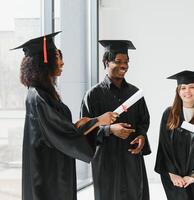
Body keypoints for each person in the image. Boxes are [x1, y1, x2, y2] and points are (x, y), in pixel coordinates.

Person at [13, 32, 117, 200]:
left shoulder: (43, 93)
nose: (62, 63)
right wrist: (98, 121)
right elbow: (62, 131)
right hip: (47, 169)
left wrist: (80, 125)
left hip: (53, 163)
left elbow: (59, 128)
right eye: (57, 58)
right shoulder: (38, 96)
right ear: (44, 62)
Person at [80, 40, 151, 200]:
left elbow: (143, 121)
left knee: (135, 194)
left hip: (131, 157)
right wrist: (109, 129)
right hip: (106, 160)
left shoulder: (135, 93)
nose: (124, 65)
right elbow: (85, 130)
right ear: (106, 62)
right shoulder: (93, 95)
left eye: (126, 62)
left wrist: (141, 136)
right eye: (118, 61)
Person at [154, 70, 194, 200]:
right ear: (178, 91)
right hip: (175, 178)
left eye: (192, 87)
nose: (187, 91)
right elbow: (164, 146)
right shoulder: (169, 114)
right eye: (183, 88)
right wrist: (172, 173)